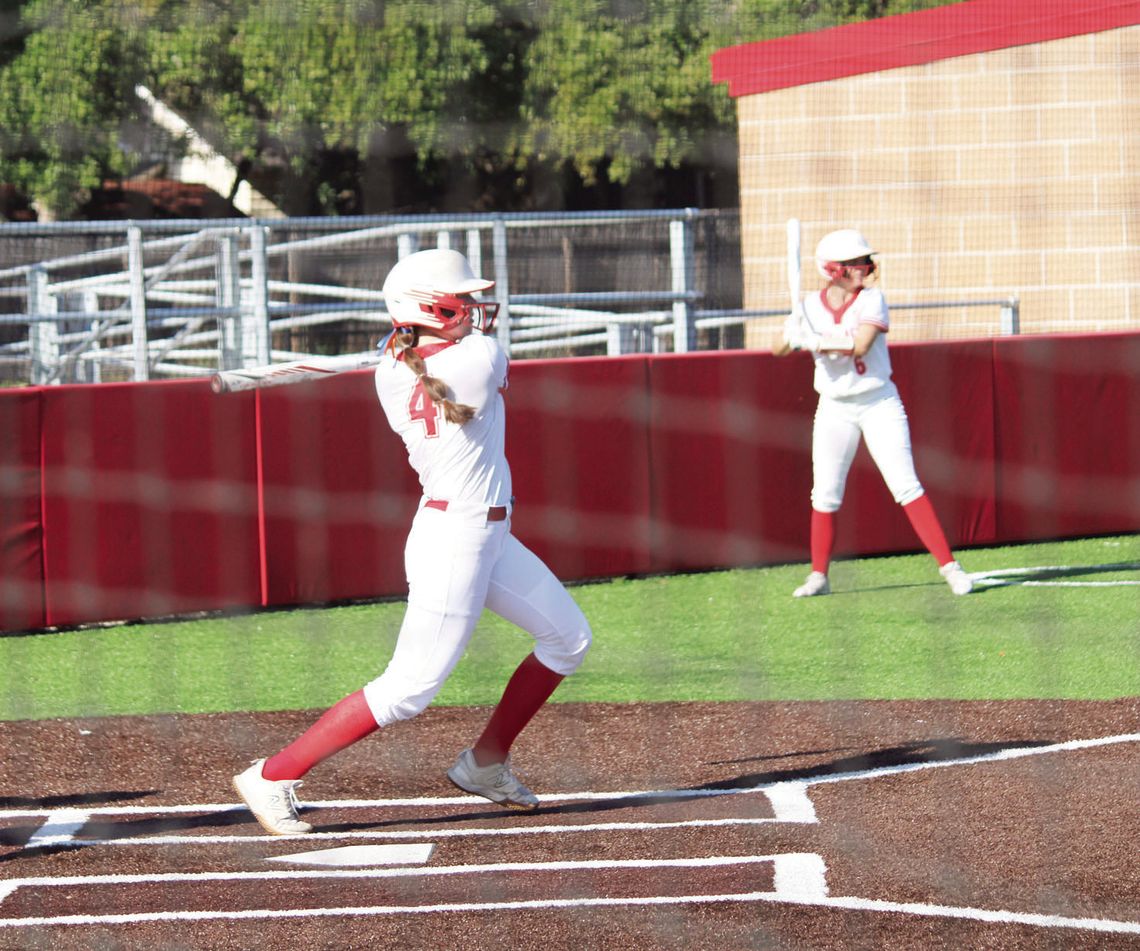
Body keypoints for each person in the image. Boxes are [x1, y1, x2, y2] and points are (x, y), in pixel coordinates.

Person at [233, 248, 592, 834]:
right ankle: (273, 775)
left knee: (568, 638)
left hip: (489, 534)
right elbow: (473, 355)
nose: (474, 310)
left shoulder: (395, 368)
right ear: (429, 308)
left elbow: (433, 354)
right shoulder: (480, 357)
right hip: (456, 540)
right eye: (461, 302)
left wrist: (414, 341)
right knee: (409, 689)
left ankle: (485, 762)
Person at [773, 228, 973, 599]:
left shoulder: (873, 300)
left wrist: (815, 341)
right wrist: (790, 334)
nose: (865, 267)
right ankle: (819, 575)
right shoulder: (809, 308)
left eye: (864, 261)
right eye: (855, 263)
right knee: (825, 494)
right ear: (834, 269)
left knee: (906, 484)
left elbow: (861, 345)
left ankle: (951, 568)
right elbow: (776, 350)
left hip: (877, 402)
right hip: (834, 407)